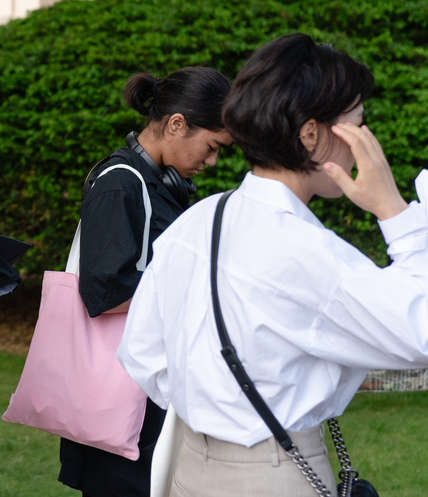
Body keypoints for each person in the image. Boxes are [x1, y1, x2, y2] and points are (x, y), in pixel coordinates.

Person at [118, 33, 428, 495]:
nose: (367, 140)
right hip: (272, 473)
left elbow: (141, 354)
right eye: (357, 124)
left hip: (192, 466)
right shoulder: (308, 251)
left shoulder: (198, 224)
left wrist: (216, 406)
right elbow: (419, 333)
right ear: (310, 133)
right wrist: (395, 213)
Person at [58, 67, 232, 497]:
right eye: (212, 147)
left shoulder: (156, 183)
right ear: (177, 124)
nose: (211, 162)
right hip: (124, 400)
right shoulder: (121, 184)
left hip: (144, 395)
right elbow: (102, 291)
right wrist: (201, 289)